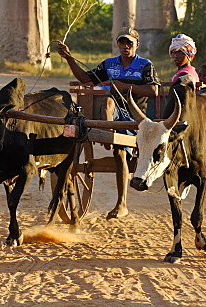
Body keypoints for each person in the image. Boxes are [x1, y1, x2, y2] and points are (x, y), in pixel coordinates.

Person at [55, 26, 159, 220]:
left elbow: (153, 91)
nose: (125, 45)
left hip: (134, 118)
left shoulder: (145, 65)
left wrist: (124, 86)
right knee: (107, 103)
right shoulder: (109, 64)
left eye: (129, 42)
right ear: (117, 44)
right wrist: (69, 57)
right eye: (122, 42)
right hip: (110, 114)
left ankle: (122, 204)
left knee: (118, 146)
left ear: (137, 44)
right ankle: (109, 130)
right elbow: (86, 79)